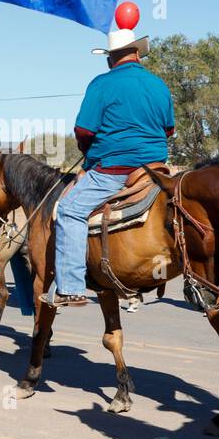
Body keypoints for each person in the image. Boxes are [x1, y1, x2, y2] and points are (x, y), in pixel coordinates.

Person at [41, 27, 175, 309]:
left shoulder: (101, 84)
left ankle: (71, 288)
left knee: (69, 210)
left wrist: (87, 149)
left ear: (110, 59)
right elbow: (169, 129)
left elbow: (84, 129)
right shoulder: (158, 85)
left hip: (115, 171)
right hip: (156, 170)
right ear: (138, 53)